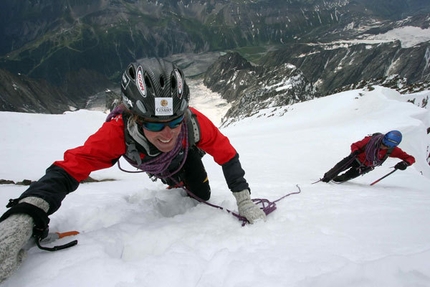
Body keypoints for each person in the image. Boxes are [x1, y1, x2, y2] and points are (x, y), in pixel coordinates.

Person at [0, 58, 266, 283]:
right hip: (160, 163)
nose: (167, 133)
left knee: (201, 193)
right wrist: (26, 212)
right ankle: (172, 179)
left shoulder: (193, 122)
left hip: (186, 158)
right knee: (176, 178)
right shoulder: (117, 133)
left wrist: (243, 199)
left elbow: (227, 155)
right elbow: (69, 170)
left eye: (174, 121)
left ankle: (177, 178)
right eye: (153, 125)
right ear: (136, 120)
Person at [321, 130, 415, 183]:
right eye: (383, 144)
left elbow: (411, 158)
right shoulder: (370, 140)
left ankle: (336, 181)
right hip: (355, 158)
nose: (383, 147)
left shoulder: (393, 150)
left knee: (345, 178)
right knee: (335, 170)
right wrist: (355, 151)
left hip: (365, 166)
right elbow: (355, 145)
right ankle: (325, 180)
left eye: (387, 146)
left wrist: (405, 163)